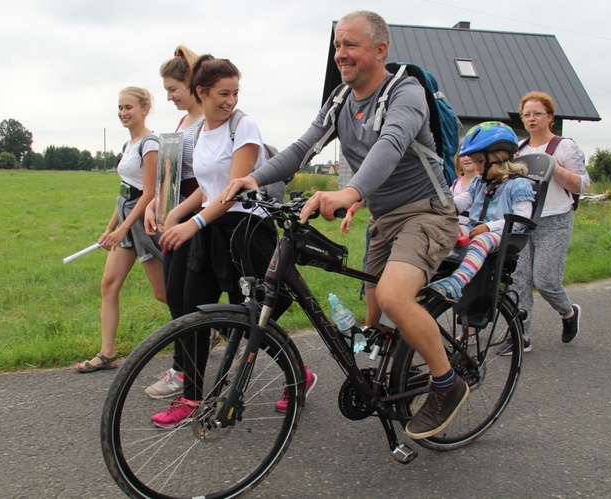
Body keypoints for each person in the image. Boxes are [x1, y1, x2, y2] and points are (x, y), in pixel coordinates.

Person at [225, 10, 466, 440]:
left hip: (427, 213)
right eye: (337, 46)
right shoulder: (340, 99)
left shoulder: (404, 92)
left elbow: (390, 145)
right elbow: (302, 147)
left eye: (350, 45)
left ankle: (447, 384)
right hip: (386, 219)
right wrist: (254, 178)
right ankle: (398, 380)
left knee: (393, 298)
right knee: (374, 324)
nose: (341, 54)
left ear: (380, 49)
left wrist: (350, 193)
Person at [150, 55, 305, 428]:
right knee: (191, 312)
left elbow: (234, 190)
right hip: (212, 228)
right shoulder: (199, 131)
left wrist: (193, 224)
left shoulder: (244, 127)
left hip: (245, 231)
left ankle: (298, 375)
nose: (231, 100)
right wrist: (177, 214)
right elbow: (208, 186)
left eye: (235, 92)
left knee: (247, 320)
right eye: (223, 93)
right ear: (201, 93)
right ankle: (191, 397)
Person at [76, 87, 166, 373]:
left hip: (144, 223)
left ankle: (205, 329)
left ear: (144, 109)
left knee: (162, 293)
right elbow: (126, 192)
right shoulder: (130, 144)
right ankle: (108, 353)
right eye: (120, 108)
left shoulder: (150, 144)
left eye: (128, 107)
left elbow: (148, 193)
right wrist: (110, 228)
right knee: (108, 284)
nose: (123, 113)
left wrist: (124, 227)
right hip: (127, 221)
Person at [142, 45, 206, 398]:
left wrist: (179, 212)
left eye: (173, 90)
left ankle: (183, 373)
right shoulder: (183, 122)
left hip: (197, 221)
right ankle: (184, 369)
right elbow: (172, 174)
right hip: (176, 217)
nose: (168, 98)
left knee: (185, 300)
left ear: (191, 83)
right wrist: (155, 202)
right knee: (177, 298)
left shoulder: (208, 122)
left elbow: (210, 179)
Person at [511, 91, 590, 352]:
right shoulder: (519, 149)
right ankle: (520, 335)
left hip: (555, 220)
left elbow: (582, 185)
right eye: (527, 115)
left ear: (550, 117)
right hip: (524, 221)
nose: (531, 119)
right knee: (519, 279)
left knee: (545, 280)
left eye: (537, 114)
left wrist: (554, 167)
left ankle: (568, 313)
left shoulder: (564, 146)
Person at [427, 122, 534, 303]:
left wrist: (488, 227)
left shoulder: (518, 184)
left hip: (505, 234)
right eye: (475, 161)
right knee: (442, 231)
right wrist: (444, 206)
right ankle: (430, 274)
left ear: (499, 158)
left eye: (481, 161)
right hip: (476, 228)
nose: (476, 166)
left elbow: (522, 219)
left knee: (481, 240)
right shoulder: (480, 182)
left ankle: (457, 282)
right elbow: (464, 201)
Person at [450, 144, 480, 226]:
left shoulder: (482, 183)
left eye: (470, 154)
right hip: (455, 225)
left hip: (473, 226)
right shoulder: (456, 182)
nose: (466, 158)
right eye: (462, 155)